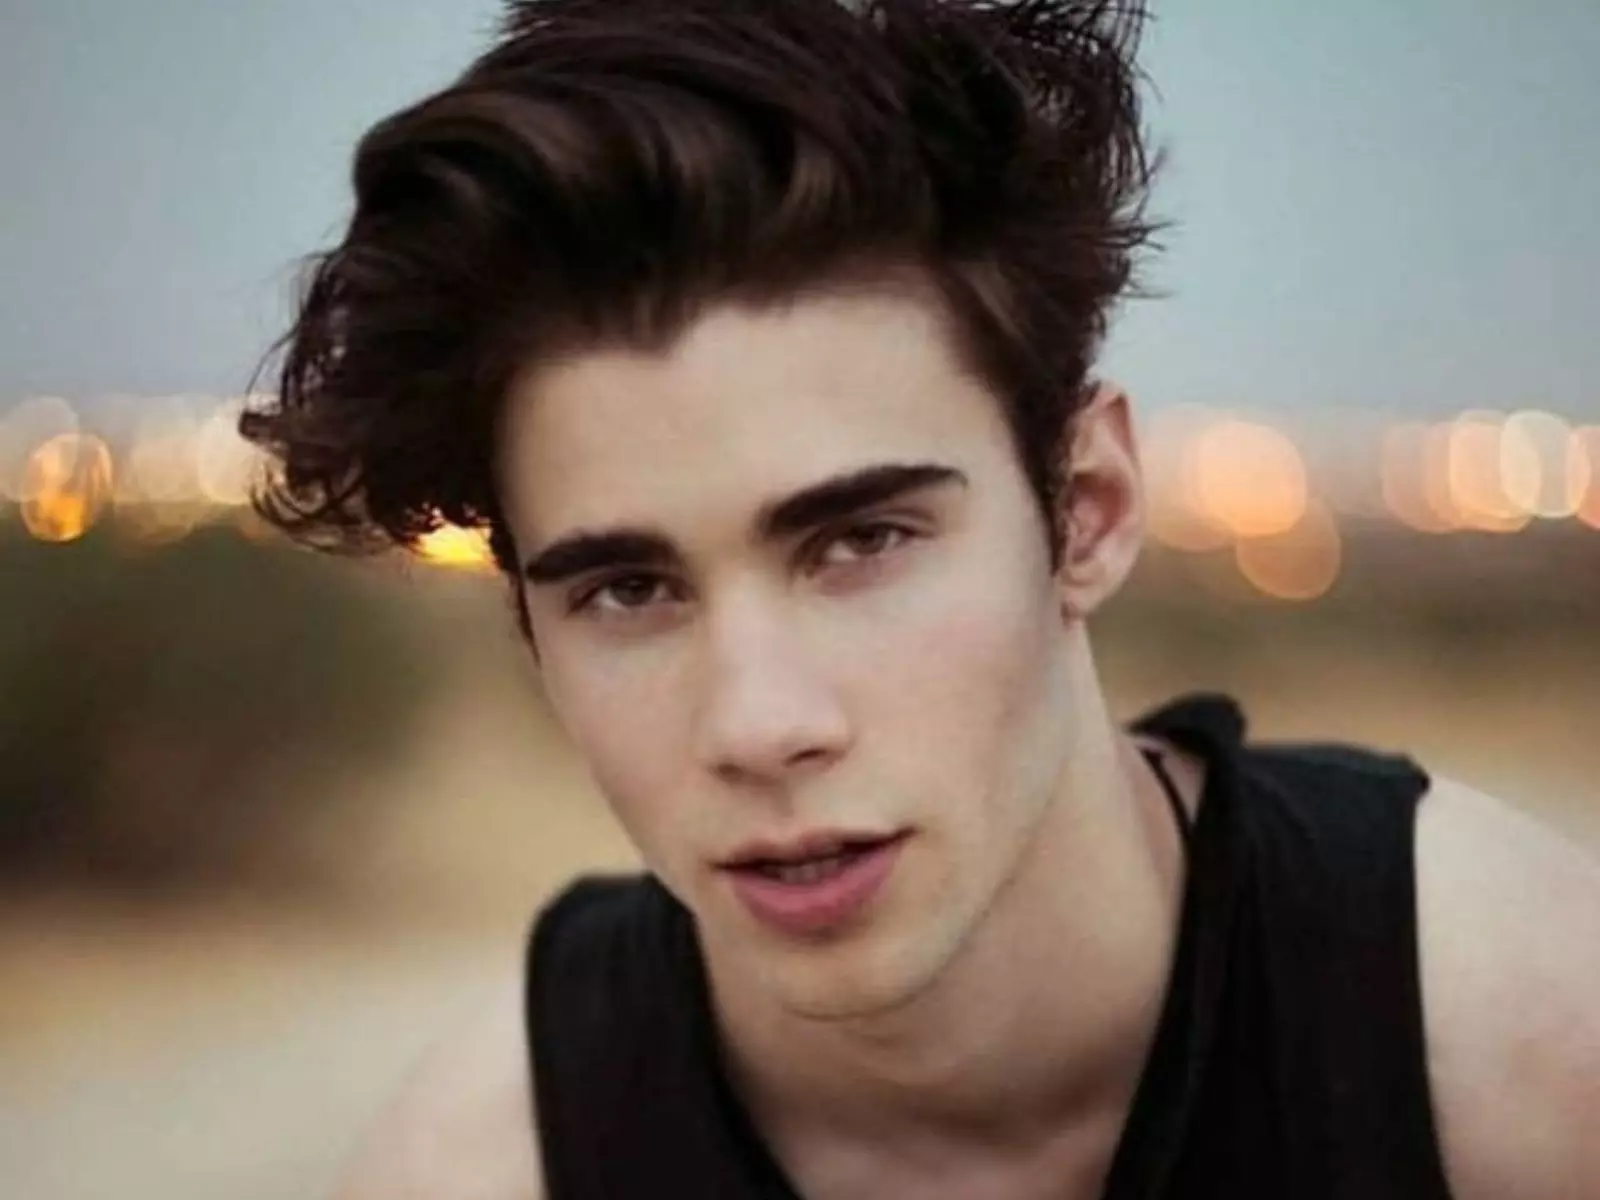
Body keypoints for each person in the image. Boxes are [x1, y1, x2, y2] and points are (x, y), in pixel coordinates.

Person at [242, 1, 1600, 1196]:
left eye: (861, 542)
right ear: (531, 633)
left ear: (1086, 510)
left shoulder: (1526, 1045)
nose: (760, 725)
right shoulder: (487, 1170)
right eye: (629, 588)